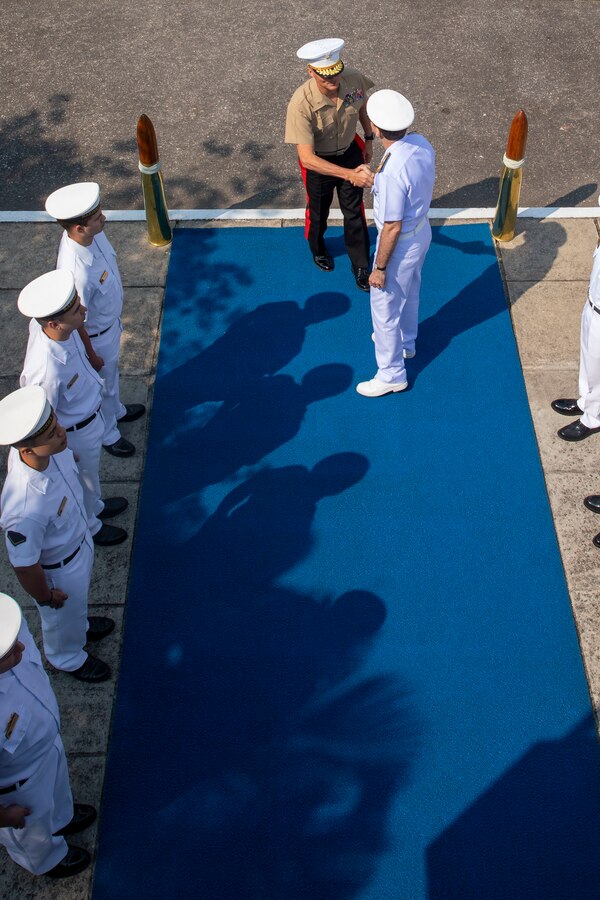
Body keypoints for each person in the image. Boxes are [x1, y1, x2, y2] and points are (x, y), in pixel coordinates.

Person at [0, 385, 113, 682]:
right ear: (26, 450)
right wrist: (46, 595)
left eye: (57, 425)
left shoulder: (49, 452)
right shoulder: (24, 506)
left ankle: (81, 627)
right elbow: (24, 565)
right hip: (58, 569)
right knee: (60, 617)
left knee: (75, 607)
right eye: (51, 434)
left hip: (78, 546)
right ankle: (67, 657)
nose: (61, 433)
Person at [18, 268, 128, 547]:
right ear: (54, 323)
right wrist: (62, 450)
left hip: (90, 417)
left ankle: (97, 507)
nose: (84, 309)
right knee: (82, 479)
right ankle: (92, 525)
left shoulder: (59, 330)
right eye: (76, 309)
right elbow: (43, 416)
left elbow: (79, 336)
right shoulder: (47, 370)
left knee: (90, 476)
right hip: (74, 433)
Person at [45, 181, 145, 458]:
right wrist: (90, 353)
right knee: (99, 384)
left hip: (110, 326)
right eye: (97, 217)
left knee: (110, 380)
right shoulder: (75, 270)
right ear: (79, 228)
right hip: (96, 336)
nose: (104, 218)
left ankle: (118, 410)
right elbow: (76, 320)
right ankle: (109, 434)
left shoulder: (93, 235)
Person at [0, 591, 97, 876]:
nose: (20, 646)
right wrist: (5, 816)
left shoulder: (9, 629)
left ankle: (62, 818)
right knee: (33, 836)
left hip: (47, 750)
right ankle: (48, 861)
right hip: (18, 789)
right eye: (6, 654)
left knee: (57, 798)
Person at [356, 90, 435, 397]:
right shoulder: (420, 144)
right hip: (421, 231)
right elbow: (409, 184)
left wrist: (379, 268)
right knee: (411, 290)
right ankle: (407, 343)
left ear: (375, 128)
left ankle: (391, 373)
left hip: (399, 242)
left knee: (384, 308)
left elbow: (391, 226)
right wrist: (375, 181)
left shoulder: (390, 173)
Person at [285, 38, 375, 291]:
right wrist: (349, 175)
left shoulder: (353, 78)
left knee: (355, 211)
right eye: (325, 76)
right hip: (319, 162)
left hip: (350, 151)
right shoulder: (300, 103)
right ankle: (318, 248)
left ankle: (360, 264)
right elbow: (307, 158)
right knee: (318, 212)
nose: (333, 81)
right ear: (311, 72)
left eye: (336, 73)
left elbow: (361, 106)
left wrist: (368, 140)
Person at [551, 213, 600, 442]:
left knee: (598, 367)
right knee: (589, 362)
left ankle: (594, 417)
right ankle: (586, 401)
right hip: (594, 302)